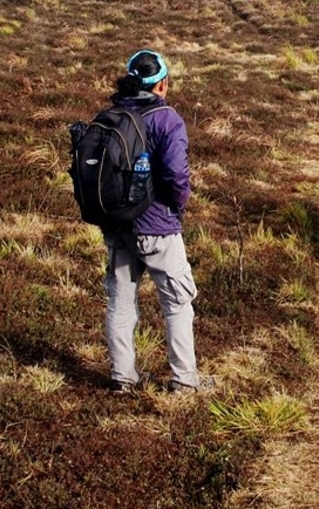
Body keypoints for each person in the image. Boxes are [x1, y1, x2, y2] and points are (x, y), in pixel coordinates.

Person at [102, 49, 211, 393]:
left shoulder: (111, 114)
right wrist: (176, 209)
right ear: (161, 83)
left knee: (120, 302)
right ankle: (184, 381)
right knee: (177, 303)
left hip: (119, 225)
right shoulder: (167, 119)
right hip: (159, 226)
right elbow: (177, 176)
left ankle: (123, 378)